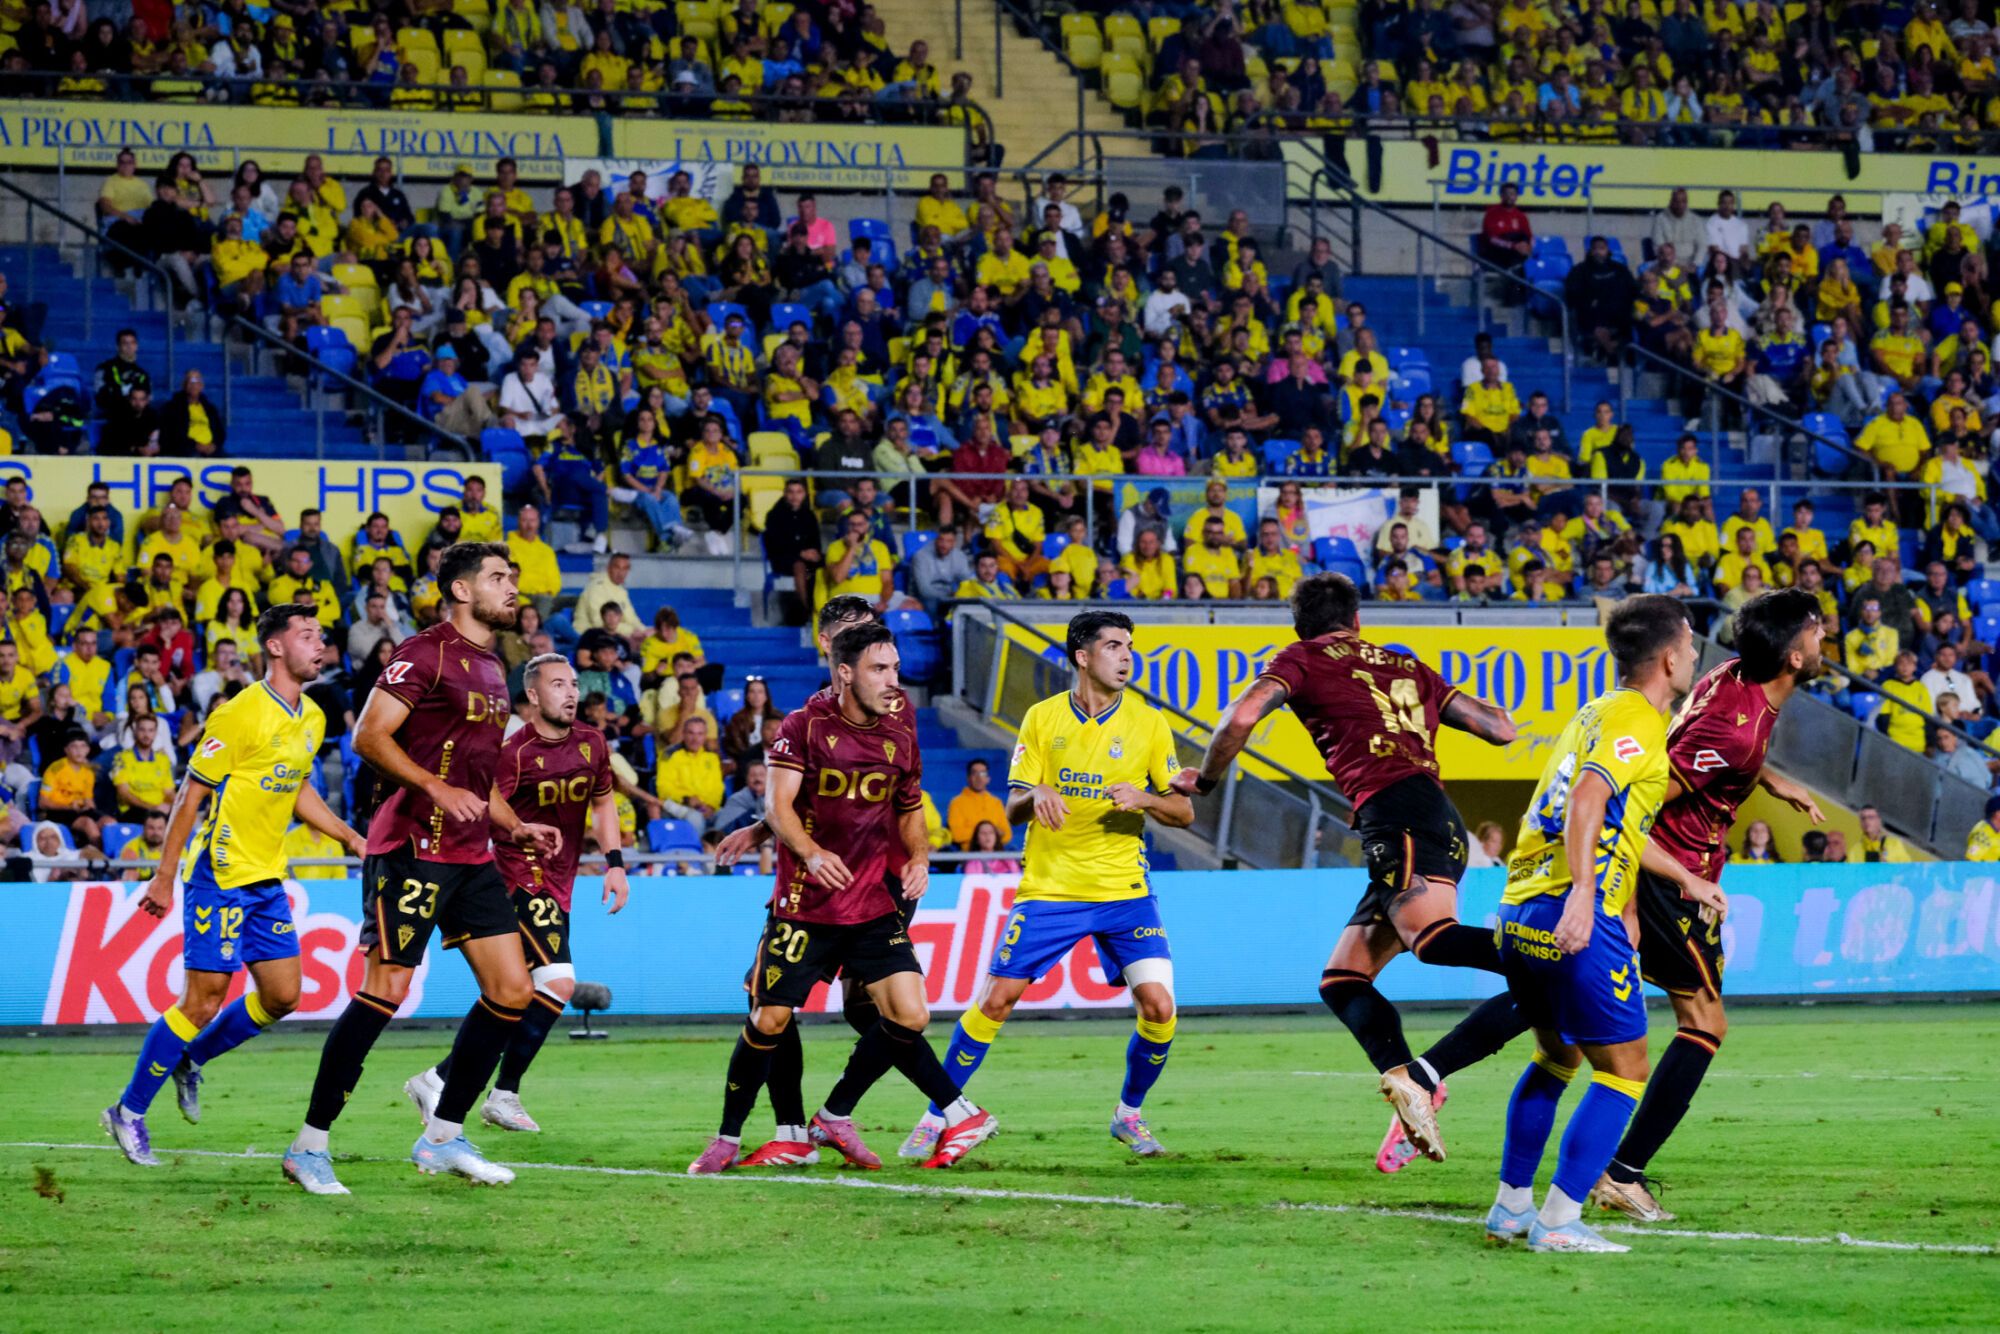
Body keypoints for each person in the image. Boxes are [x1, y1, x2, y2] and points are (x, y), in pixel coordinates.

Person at [1180, 573, 1521, 1171]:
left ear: (1299, 626)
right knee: (1342, 979)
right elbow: (1501, 728)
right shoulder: (1405, 665)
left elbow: (1239, 719)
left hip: (1399, 815)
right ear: (1357, 619)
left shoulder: (1302, 658)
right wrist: (1433, 694)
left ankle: (1544, 950)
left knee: (1433, 941)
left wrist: (1203, 781)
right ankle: (1411, 1084)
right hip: (1430, 817)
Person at [284, 544, 559, 1195]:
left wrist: (515, 826)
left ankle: (441, 1135)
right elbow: (370, 736)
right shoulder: (423, 652)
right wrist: (434, 789)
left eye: (512, 577)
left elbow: (478, 776)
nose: (511, 587)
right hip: (408, 848)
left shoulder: (494, 666)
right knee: (384, 991)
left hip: (470, 855)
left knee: (514, 991)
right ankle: (309, 1146)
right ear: (460, 590)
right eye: (498, 577)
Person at [687, 622, 997, 1174]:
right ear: (844, 670)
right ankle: (728, 1138)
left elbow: (908, 806)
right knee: (768, 1020)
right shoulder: (804, 725)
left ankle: (830, 1117)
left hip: (871, 901)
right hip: (806, 903)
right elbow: (781, 806)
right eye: (881, 669)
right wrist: (807, 852)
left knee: (910, 1014)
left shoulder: (900, 727)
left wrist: (920, 858)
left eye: (897, 668)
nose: (893, 680)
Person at [901, 612, 1192, 1160]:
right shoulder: (1042, 718)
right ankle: (939, 1111)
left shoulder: (1150, 724)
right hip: (1051, 889)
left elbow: (1183, 810)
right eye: (1113, 646)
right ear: (1082, 657)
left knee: (1159, 1007)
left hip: (1125, 890)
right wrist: (1035, 795)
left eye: (1130, 646)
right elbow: (1011, 807)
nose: (1127, 656)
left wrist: (1147, 799)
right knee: (997, 999)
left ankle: (1128, 1114)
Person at [1589, 589, 1826, 1224]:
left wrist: (1774, 781)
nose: (1824, 637)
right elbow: (1650, 788)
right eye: (1816, 631)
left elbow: (1717, 752)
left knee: (1565, 1006)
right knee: (1704, 1024)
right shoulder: (1736, 726)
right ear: (1794, 657)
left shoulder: (1735, 680)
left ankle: (1428, 1069)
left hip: (1683, 876)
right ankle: (1622, 1174)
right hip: (1669, 875)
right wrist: (1657, 871)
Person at [101, 605, 367, 1168]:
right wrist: (164, 877)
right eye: (306, 636)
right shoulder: (239, 713)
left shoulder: (313, 717)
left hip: (266, 876)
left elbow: (296, 789)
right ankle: (127, 1111)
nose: (320, 644)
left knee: (282, 995)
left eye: (322, 636)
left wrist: (348, 835)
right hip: (218, 875)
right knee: (201, 1001)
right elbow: (189, 796)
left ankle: (188, 1059)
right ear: (275, 647)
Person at [1486, 594, 1697, 1253]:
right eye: (1690, 646)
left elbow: (1615, 823)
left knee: (1558, 1053)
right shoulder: (1638, 719)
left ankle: (1511, 1207)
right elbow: (1588, 798)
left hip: (1520, 905)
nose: (1694, 656)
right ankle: (1558, 1220)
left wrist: (1684, 877)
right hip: (1571, 909)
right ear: (1668, 658)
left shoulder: (1595, 713)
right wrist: (1584, 894)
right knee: (1628, 1065)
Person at [406, 654, 629, 1135]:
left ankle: (441, 1078)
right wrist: (520, 828)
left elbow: (604, 801)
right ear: (532, 696)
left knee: (517, 993)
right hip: (516, 876)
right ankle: (501, 1093)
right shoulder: (515, 752)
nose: (570, 693)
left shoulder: (593, 744)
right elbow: (488, 803)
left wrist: (614, 864)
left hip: (560, 881)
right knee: (559, 982)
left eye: (572, 684)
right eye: (557, 685)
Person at [946, 758, 1008, 849]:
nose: (979, 777)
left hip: (995, 853)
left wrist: (971, 832)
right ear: (968, 778)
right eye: (974, 773)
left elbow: (1007, 834)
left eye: (983, 773)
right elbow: (957, 834)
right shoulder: (956, 803)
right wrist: (992, 832)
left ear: (988, 779)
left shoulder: (996, 802)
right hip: (969, 854)